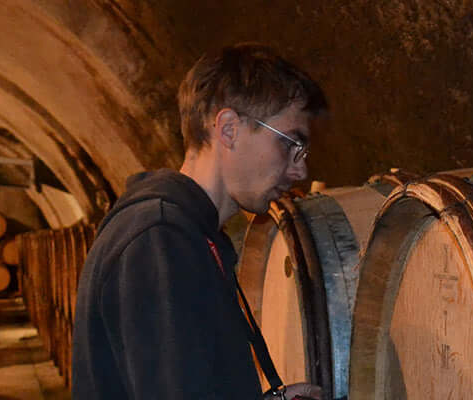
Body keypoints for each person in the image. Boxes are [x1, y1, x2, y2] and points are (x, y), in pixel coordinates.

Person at [72, 43, 327, 399]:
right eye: (290, 144)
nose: (300, 169)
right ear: (228, 129)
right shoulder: (158, 240)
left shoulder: (187, 233)